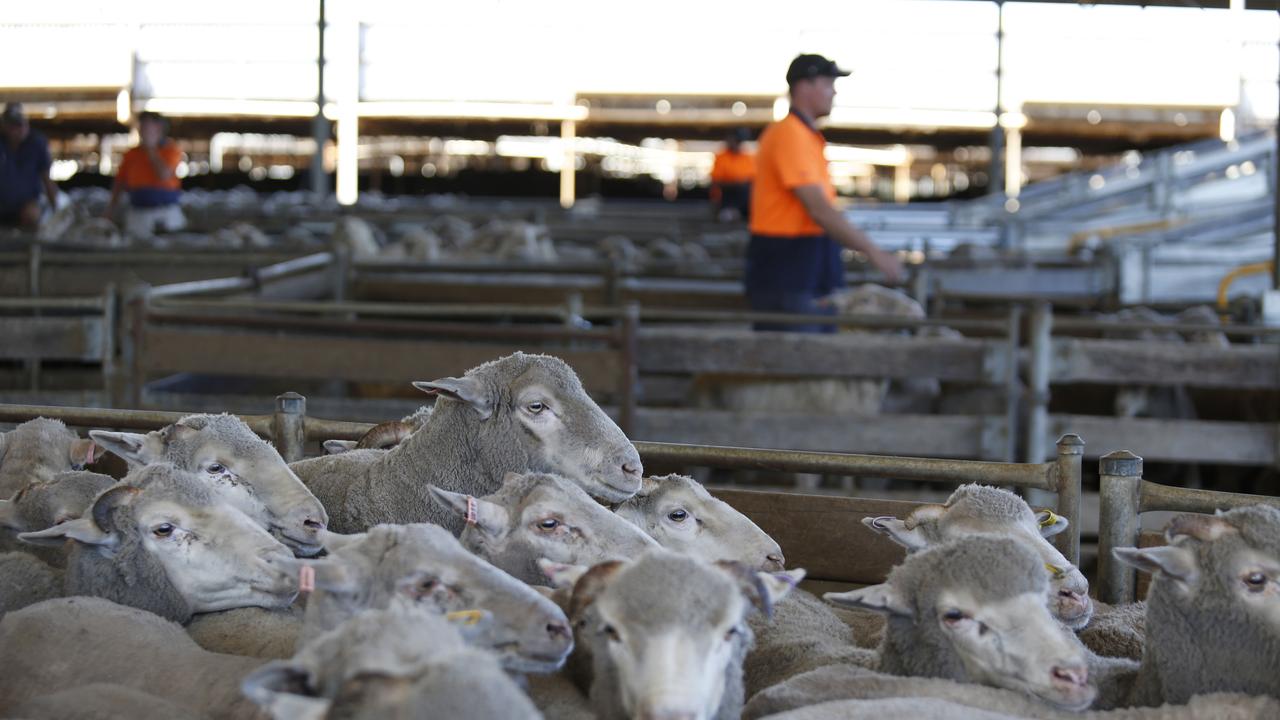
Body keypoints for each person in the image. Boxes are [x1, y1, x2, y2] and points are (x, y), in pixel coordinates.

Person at [746, 53, 902, 333]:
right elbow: (818, 208)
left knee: (811, 352)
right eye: (828, 83)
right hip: (789, 270)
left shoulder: (805, 136)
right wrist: (873, 251)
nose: (834, 91)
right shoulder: (790, 135)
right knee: (798, 358)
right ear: (804, 86)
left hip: (803, 265)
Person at [105, 111, 186, 236]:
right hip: (139, 214)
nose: (143, 130)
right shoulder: (131, 154)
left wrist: (151, 149)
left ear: (159, 128)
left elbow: (164, 174)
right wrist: (110, 212)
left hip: (165, 213)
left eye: (147, 126)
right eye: (142, 126)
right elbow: (119, 183)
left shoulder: (171, 150)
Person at [0, 102, 57, 230]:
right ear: (4, 126)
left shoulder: (37, 143)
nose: (18, 130)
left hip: (26, 205)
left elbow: (46, 178)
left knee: (32, 214)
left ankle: (29, 245)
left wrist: (55, 208)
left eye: (21, 125)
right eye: (13, 126)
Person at [710, 127, 755, 221]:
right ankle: (730, 212)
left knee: (747, 189)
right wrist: (735, 183)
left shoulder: (748, 158)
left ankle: (743, 213)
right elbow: (715, 181)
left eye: (737, 141)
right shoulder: (721, 157)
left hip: (745, 198)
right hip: (726, 198)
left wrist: (743, 183)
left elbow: (754, 179)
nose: (733, 143)